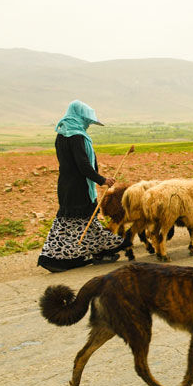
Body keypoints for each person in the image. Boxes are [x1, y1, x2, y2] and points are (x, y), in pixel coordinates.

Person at [37, 100, 130, 273]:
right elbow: (83, 165)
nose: (88, 125)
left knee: (68, 223)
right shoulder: (77, 137)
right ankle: (63, 258)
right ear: (79, 118)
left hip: (65, 187)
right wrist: (102, 180)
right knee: (81, 225)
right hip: (79, 189)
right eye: (87, 121)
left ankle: (55, 255)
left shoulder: (62, 133)